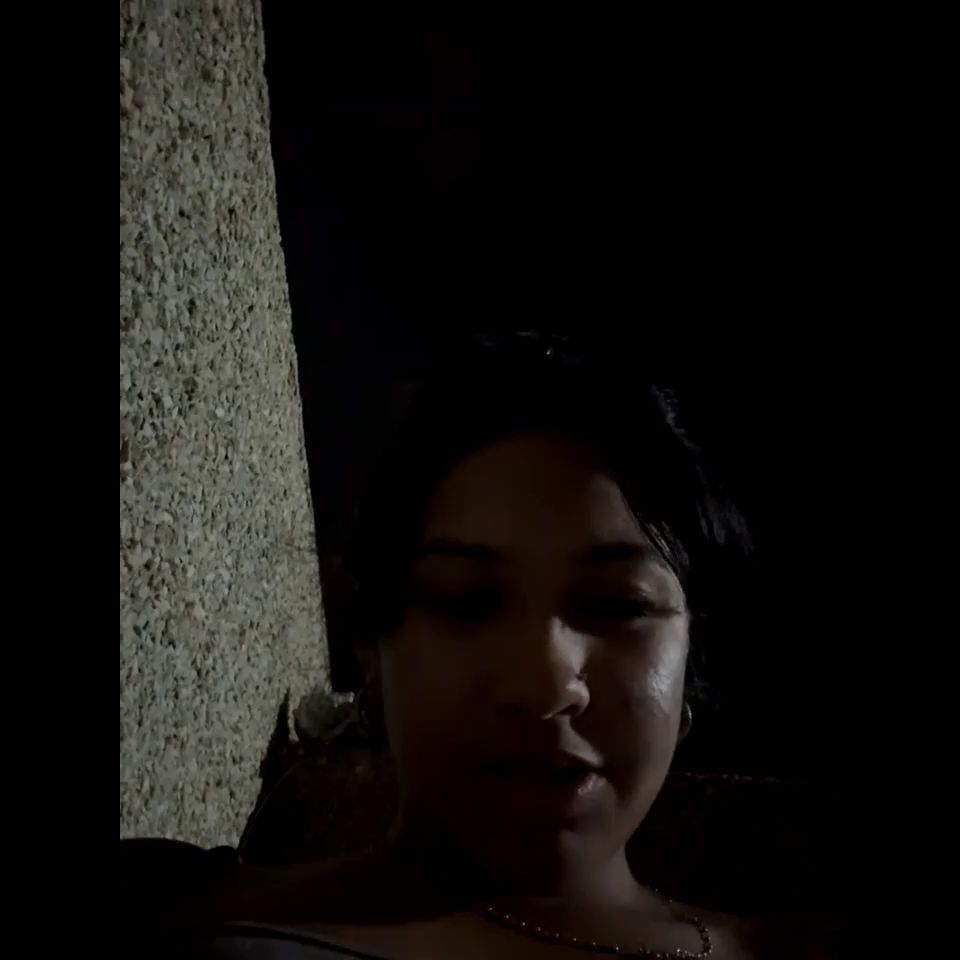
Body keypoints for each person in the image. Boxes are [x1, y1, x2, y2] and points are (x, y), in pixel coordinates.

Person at [154, 333, 839, 959]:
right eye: (466, 602)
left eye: (620, 606)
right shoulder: (162, 903)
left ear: (689, 659)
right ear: (372, 648)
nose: (545, 688)